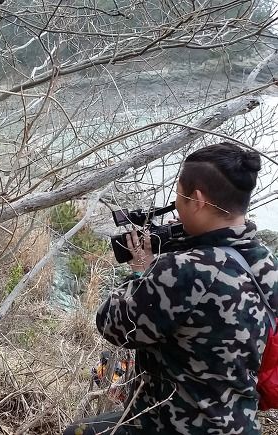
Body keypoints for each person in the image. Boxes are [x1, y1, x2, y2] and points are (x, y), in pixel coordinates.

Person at [64, 142, 278, 434]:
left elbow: (113, 325)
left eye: (179, 195)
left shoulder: (185, 270)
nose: (176, 205)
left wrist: (142, 270)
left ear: (198, 200)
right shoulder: (266, 262)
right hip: (240, 424)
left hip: (172, 424)